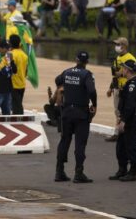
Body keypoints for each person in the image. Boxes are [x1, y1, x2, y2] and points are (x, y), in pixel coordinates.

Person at [54, 51, 97, 183]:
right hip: (81, 113)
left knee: (64, 141)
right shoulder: (87, 74)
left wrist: (62, 89)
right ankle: (79, 173)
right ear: (87, 62)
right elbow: (91, 91)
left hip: (66, 112)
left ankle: (59, 172)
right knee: (80, 144)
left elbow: (57, 80)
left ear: (76, 59)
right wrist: (94, 104)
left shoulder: (67, 72)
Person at [109, 59, 136, 182]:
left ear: (128, 70)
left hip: (132, 120)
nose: (121, 70)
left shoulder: (133, 85)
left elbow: (130, 105)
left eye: (123, 68)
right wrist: (119, 117)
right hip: (126, 118)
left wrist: (123, 120)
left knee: (133, 146)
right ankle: (122, 170)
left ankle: (132, 172)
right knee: (121, 147)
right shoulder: (129, 83)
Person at [105, 38, 136, 142]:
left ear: (124, 46)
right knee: (117, 111)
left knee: (126, 111)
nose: (117, 46)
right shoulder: (117, 58)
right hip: (117, 88)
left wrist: (122, 73)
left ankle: (123, 133)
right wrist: (110, 88)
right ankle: (118, 132)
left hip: (126, 88)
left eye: (118, 44)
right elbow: (115, 75)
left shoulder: (130, 58)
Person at [0, 40, 17, 115]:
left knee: (7, 114)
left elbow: (15, 71)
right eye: (6, 48)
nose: (8, 50)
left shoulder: (8, 58)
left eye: (8, 48)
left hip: (7, 91)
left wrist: (12, 61)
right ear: (0, 48)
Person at [9, 34, 28, 115]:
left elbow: (6, 68)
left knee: (16, 106)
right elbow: (26, 70)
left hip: (13, 83)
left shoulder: (9, 54)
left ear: (10, 43)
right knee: (18, 103)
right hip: (22, 83)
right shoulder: (24, 55)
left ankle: (19, 121)